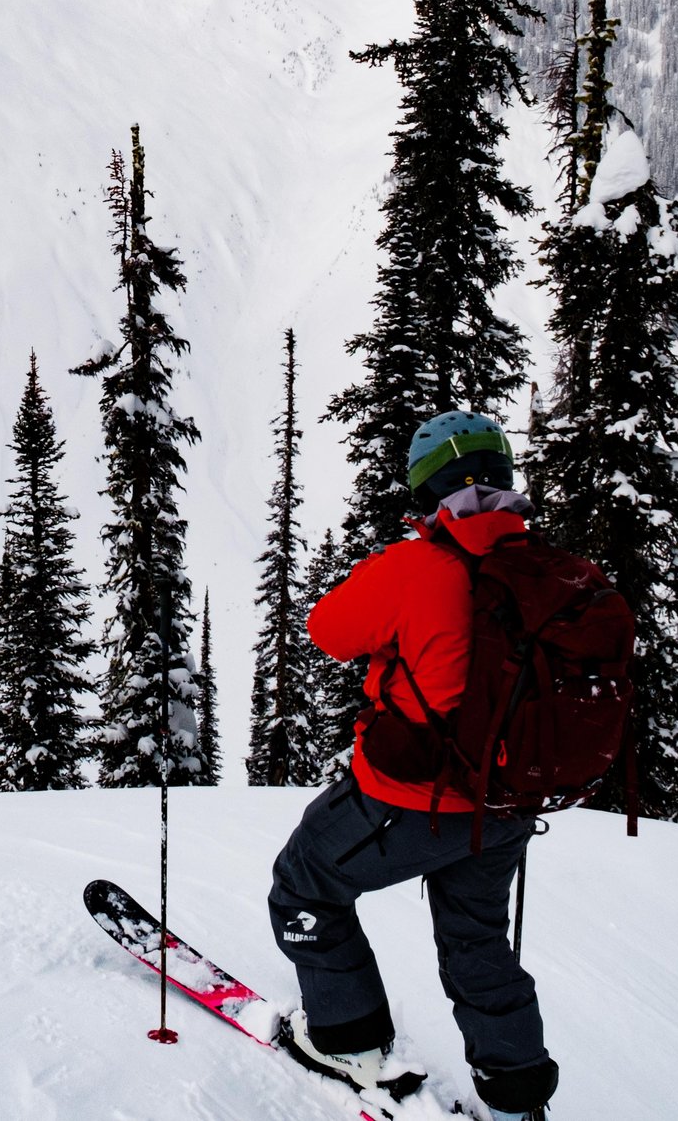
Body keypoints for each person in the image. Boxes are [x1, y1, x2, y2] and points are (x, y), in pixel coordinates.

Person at [268, 410, 560, 1121]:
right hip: (508, 805)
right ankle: (516, 1097)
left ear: (430, 493)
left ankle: (349, 1042)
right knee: (477, 940)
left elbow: (325, 629)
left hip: (414, 799)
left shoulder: (416, 566)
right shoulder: (543, 570)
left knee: (305, 884)